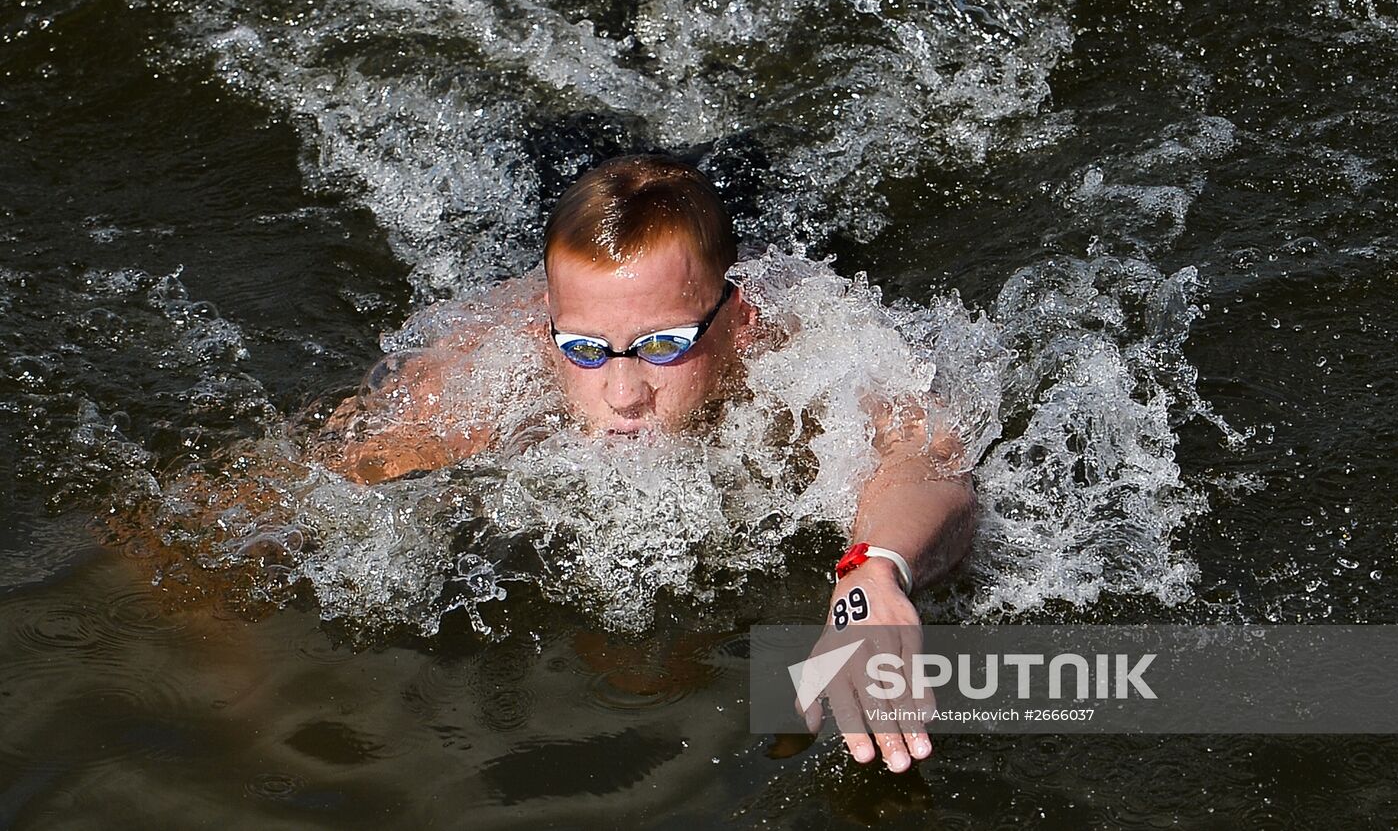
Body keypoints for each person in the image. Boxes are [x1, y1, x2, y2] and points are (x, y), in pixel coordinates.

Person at [319, 154, 976, 773]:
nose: (624, 392)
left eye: (662, 345)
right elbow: (292, 488)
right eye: (584, 348)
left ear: (738, 320)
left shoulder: (807, 345)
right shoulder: (483, 374)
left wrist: (875, 571)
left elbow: (928, 454)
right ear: (548, 328)